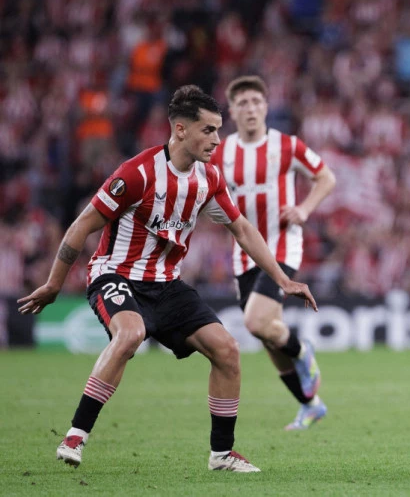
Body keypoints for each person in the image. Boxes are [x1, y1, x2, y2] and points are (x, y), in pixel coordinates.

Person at [18, 85, 318, 473]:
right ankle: (75, 435)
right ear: (180, 129)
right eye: (208, 130)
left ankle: (222, 453)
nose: (217, 140)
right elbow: (81, 226)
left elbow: (243, 229)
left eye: (218, 130)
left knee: (227, 350)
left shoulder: (209, 179)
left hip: (166, 283)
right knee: (130, 334)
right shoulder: (137, 173)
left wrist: (282, 279)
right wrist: (54, 284)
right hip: (116, 274)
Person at [211, 76, 336, 430]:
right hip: (243, 254)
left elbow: (326, 178)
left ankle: (302, 351)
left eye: (256, 101)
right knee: (267, 335)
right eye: (243, 103)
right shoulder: (220, 153)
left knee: (256, 322)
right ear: (232, 111)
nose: (250, 109)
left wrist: (305, 209)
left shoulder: (287, 145)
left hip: (282, 245)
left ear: (266, 107)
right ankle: (310, 405)